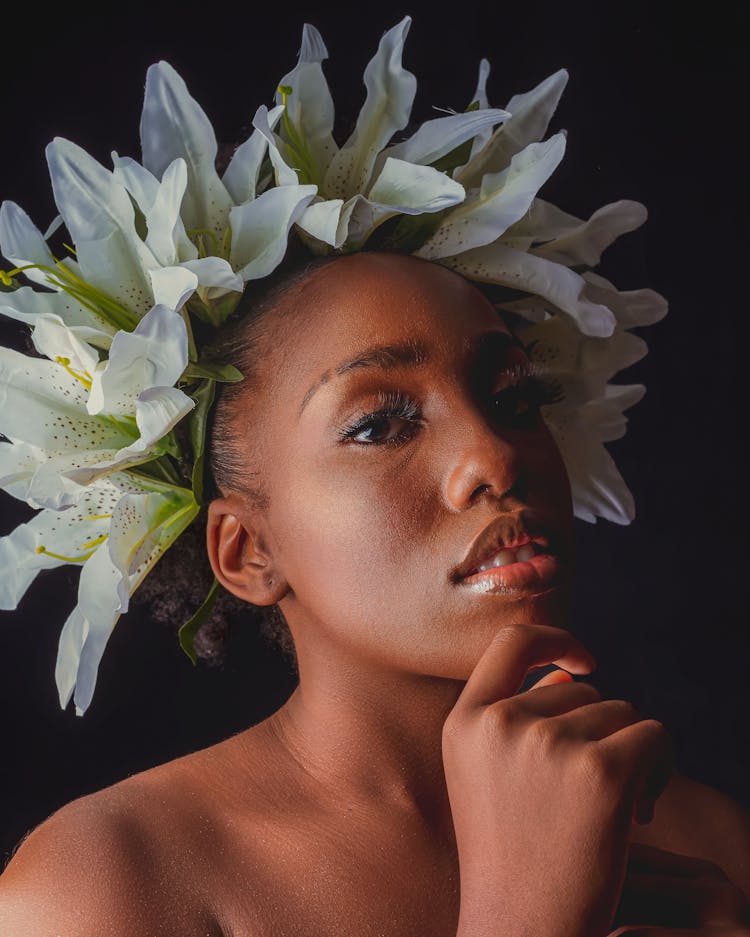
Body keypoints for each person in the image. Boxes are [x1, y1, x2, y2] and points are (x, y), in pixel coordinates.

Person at [1, 18, 749, 936]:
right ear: (246, 550)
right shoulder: (102, 887)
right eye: (379, 423)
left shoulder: (704, 835)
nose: (495, 456)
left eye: (514, 396)